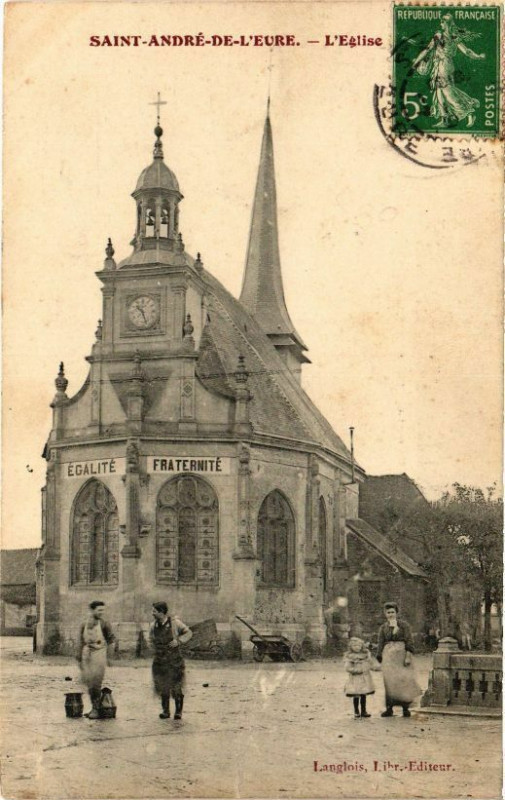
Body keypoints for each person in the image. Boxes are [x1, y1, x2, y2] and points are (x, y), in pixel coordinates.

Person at [411, 14, 485, 128]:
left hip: (444, 66)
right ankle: (444, 119)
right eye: (441, 21)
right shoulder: (447, 36)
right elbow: (427, 50)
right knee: (440, 91)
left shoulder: (447, 36)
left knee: (447, 92)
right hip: (441, 65)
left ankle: (469, 112)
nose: (441, 23)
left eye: (443, 21)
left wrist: (478, 56)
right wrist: (416, 62)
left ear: (447, 23)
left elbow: (466, 51)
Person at [376, 602, 420, 718]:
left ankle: (405, 708)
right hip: (388, 657)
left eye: (392, 612)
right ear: (385, 614)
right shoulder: (383, 627)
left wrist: (408, 656)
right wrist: (379, 656)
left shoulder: (404, 625)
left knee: (403, 681)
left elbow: (409, 641)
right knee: (389, 683)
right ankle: (389, 708)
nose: (390, 614)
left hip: (401, 655)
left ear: (396, 613)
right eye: (388, 612)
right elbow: (380, 642)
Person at [149, 602, 193, 720]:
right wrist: (155, 651)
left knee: (176, 686)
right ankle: (165, 711)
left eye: (154, 611)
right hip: (159, 661)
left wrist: (178, 641)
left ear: (162, 612)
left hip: (174, 660)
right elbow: (151, 640)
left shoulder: (175, 623)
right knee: (163, 686)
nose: (152, 613)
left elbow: (189, 633)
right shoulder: (153, 626)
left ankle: (178, 712)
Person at [77, 600, 116, 719]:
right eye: (99, 610)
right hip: (87, 653)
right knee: (89, 683)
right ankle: (94, 707)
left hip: (99, 653)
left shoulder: (104, 624)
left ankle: (96, 709)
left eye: (102, 610)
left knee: (96, 682)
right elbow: (81, 641)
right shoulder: (84, 624)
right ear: (93, 610)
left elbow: (111, 641)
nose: (101, 612)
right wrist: (79, 657)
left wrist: (110, 657)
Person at [343, 636, 376, 719]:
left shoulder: (365, 655)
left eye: (359, 646)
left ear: (362, 646)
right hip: (355, 679)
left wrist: (373, 666)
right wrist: (357, 670)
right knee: (356, 695)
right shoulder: (350, 656)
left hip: (364, 678)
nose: (357, 647)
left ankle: (364, 711)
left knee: (363, 694)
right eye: (354, 646)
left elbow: (370, 664)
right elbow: (347, 667)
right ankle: (356, 711)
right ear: (351, 647)